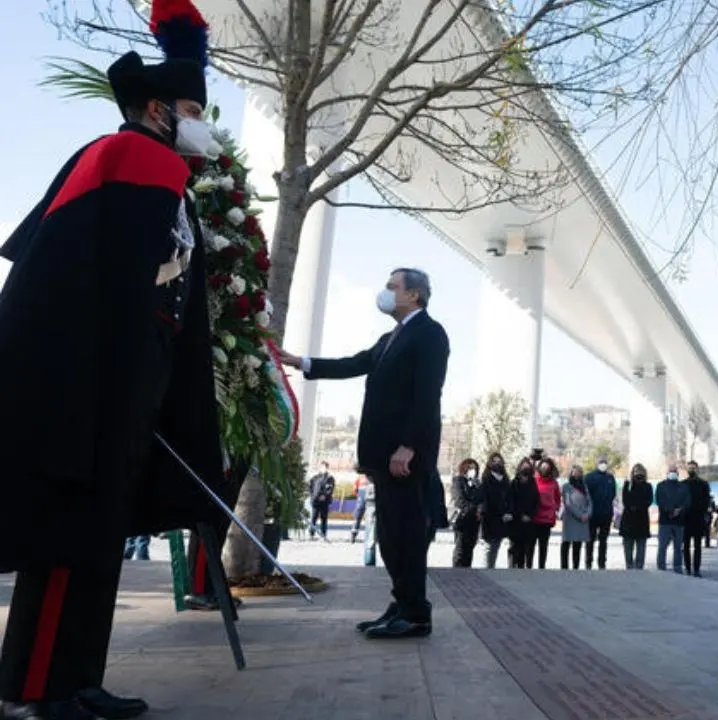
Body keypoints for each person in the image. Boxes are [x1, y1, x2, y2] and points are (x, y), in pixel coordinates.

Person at [0, 1, 233, 714]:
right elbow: (77, 279)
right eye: (194, 107)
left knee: (99, 535)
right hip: (96, 383)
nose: (204, 121)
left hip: (134, 387)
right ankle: (38, 687)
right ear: (159, 110)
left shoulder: (169, 176)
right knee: (70, 537)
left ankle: (78, 677)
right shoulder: (126, 156)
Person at [280, 267, 450, 640]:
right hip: (381, 456)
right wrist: (301, 362)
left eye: (393, 286)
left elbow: (427, 395)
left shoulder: (430, 334)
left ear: (414, 296)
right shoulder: (391, 337)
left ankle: (417, 613)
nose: (386, 292)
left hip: (405, 457)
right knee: (389, 536)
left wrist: (408, 445)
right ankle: (402, 602)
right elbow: (354, 363)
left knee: (406, 536)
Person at [655, 463, 691, 572]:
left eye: (675, 471)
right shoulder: (661, 486)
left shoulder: (683, 487)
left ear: (678, 473)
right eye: (671, 471)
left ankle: (677, 566)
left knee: (678, 547)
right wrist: (670, 510)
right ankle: (661, 567)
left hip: (679, 522)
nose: (673, 473)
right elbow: (659, 500)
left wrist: (679, 510)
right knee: (662, 546)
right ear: (667, 473)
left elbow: (687, 501)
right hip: (665, 521)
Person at [479, 453, 512, 569]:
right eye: (495, 461)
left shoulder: (506, 480)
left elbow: (509, 498)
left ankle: (491, 566)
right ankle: (488, 568)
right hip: (490, 517)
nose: (498, 463)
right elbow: (487, 499)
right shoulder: (486, 479)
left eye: (500, 461)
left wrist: (508, 512)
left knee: (496, 544)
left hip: (502, 518)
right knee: (489, 546)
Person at [449, 459, 483, 568]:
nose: (472, 471)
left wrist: (480, 508)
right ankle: (457, 572)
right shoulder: (458, 481)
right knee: (460, 549)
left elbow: (482, 499)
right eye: (470, 468)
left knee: (470, 549)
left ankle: (467, 571)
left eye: (474, 468)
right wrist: (474, 508)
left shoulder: (477, 483)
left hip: (474, 522)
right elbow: (459, 500)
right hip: (463, 520)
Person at [583, 458, 617, 570]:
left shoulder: (610, 478)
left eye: (605, 463)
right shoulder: (589, 477)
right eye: (601, 463)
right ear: (597, 464)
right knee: (590, 540)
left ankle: (602, 562)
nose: (603, 465)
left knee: (603, 540)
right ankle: (588, 561)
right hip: (593, 514)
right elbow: (585, 494)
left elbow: (613, 494)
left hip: (606, 514)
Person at [507, 458, 540, 569]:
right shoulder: (514, 482)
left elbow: (536, 501)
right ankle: (511, 567)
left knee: (524, 547)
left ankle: (521, 568)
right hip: (516, 520)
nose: (526, 468)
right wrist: (520, 515)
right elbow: (511, 501)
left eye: (528, 466)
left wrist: (530, 515)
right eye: (524, 466)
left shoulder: (533, 483)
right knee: (513, 546)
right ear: (519, 467)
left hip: (528, 521)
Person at [619, 465, 653, 569]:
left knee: (641, 545)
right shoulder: (628, 484)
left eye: (641, 471)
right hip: (628, 519)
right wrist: (632, 506)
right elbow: (625, 499)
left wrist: (638, 507)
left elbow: (649, 500)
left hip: (642, 519)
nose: (638, 473)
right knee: (628, 546)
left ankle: (639, 567)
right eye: (636, 471)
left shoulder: (648, 486)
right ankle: (629, 566)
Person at [682, 461, 712, 577]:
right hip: (686, 519)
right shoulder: (683, 484)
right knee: (686, 545)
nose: (691, 470)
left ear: (697, 469)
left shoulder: (704, 484)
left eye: (693, 468)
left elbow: (706, 500)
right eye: (689, 468)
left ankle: (697, 568)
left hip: (698, 518)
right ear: (687, 470)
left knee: (698, 545)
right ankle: (688, 568)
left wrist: (704, 513)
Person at [530, 458, 561, 569]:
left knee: (543, 545)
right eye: (543, 466)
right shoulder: (534, 480)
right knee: (531, 544)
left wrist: (555, 509)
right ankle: (529, 566)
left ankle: (541, 567)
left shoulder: (554, 483)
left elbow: (557, 499)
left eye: (547, 467)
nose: (545, 469)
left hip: (547, 519)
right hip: (534, 517)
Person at [560, 466, 592, 570]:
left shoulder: (585, 486)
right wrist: (580, 515)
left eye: (579, 472)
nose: (577, 474)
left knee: (578, 543)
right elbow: (568, 503)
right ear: (571, 473)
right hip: (570, 518)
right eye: (575, 472)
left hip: (583, 519)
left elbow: (590, 502)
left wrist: (588, 513)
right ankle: (564, 567)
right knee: (566, 542)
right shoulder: (566, 486)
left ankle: (576, 567)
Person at [308, 461, 336, 540]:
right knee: (314, 517)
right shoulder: (315, 477)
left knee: (324, 518)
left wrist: (325, 496)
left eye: (325, 467)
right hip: (315, 501)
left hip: (324, 501)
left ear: (327, 468)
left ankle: (323, 534)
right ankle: (311, 534)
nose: (323, 468)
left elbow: (330, 488)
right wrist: (312, 496)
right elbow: (310, 487)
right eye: (322, 467)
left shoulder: (330, 478)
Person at [350, 474, 370, 543]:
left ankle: (369, 536)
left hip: (369, 499)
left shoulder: (373, 476)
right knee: (357, 516)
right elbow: (355, 488)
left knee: (370, 518)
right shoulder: (361, 477)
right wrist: (358, 496)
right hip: (361, 499)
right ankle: (353, 534)